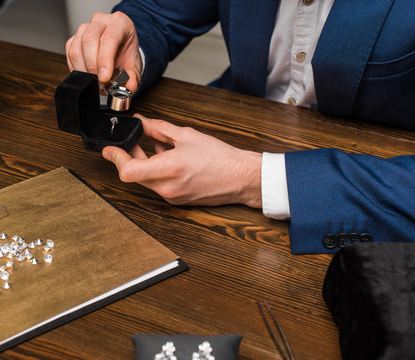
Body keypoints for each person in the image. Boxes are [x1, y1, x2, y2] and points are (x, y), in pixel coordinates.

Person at [65, 0, 415, 254]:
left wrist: (250, 180)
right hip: (222, 127)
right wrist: (130, 47)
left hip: (359, 196)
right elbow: (160, 12)